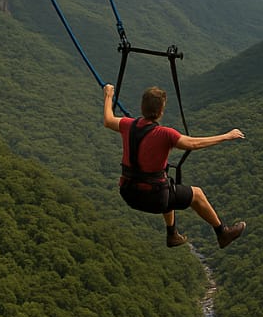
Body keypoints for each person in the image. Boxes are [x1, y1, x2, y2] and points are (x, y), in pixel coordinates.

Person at [103, 83, 247, 249]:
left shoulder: (128, 125)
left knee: (167, 184)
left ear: (142, 107)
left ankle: (172, 234)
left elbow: (108, 120)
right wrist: (226, 136)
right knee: (196, 194)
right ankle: (222, 233)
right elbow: (193, 143)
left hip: (128, 193)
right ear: (161, 111)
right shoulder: (165, 133)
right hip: (154, 199)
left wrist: (108, 95)